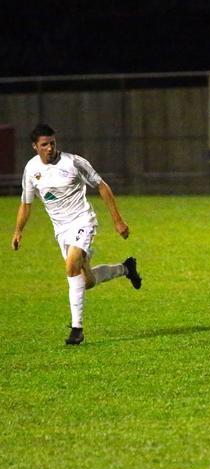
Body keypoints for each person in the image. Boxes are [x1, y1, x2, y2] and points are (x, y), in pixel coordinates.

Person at [12, 123, 142, 345]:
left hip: (83, 220)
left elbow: (102, 186)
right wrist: (18, 231)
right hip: (61, 230)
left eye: (52, 143)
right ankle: (126, 268)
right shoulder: (31, 170)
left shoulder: (74, 162)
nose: (50, 148)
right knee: (85, 281)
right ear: (35, 146)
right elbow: (26, 203)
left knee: (72, 263)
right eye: (44, 145)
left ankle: (77, 329)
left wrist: (118, 220)